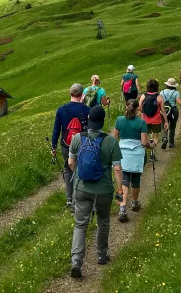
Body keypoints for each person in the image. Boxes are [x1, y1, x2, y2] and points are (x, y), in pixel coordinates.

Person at [68, 106, 123, 278]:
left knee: (80, 224)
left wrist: (79, 173)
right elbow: (117, 168)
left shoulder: (77, 138)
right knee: (104, 221)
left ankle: (76, 260)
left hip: (81, 188)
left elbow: (70, 162)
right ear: (103, 121)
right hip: (103, 190)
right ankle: (101, 254)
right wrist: (120, 189)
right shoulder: (111, 141)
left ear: (89, 120)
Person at [113, 99, 156, 222]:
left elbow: (115, 138)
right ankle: (134, 203)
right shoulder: (141, 122)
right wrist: (151, 145)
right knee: (136, 179)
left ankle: (122, 207)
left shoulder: (119, 120)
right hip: (137, 154)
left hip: (123, 153)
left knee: (124, 180)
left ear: (126, 107)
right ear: (138, 109)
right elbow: (144, 142)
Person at [52, 84, 91, 210]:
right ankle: (81, 198)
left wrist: (53, 146)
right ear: (81, 95)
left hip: (66, 144)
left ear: (70, 94)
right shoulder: (86, 109)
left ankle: (70, 199)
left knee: (67, 169)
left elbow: (56, 130)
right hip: (83, 143)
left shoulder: (61, 110)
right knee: (81, 168)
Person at [139, 79, 168, 162]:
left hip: (145, 120)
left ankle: (143, 153)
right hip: (156, 120)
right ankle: (152, 153)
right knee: (155, 137)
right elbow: (163, 110)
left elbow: (139, 108)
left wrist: (144, 112)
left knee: (144, 137)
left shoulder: (143, 96)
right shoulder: (159, 97)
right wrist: (165, 121)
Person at [160, 78, 181, 149]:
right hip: (173, 111)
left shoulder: (162, 92)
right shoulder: (176, 93)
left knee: (164, 125)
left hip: (164, 110)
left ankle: (164, 138)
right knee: (172, 127)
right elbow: (179, 102)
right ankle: (171, 143)